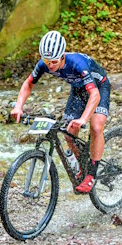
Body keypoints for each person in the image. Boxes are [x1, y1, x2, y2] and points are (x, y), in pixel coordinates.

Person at [11, 30, 111, 193]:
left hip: (99, 87)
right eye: (47, 61)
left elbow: (95, 94)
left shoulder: (78, 64)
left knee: (96, 127)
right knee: (68, 132)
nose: (50, 65)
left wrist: (83, 119)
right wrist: (18, 106)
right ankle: (82, 164)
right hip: (78, 89)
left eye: (54, 61)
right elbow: (29, 83)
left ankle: (91, 175)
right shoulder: (44, 63)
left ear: (63, 56)